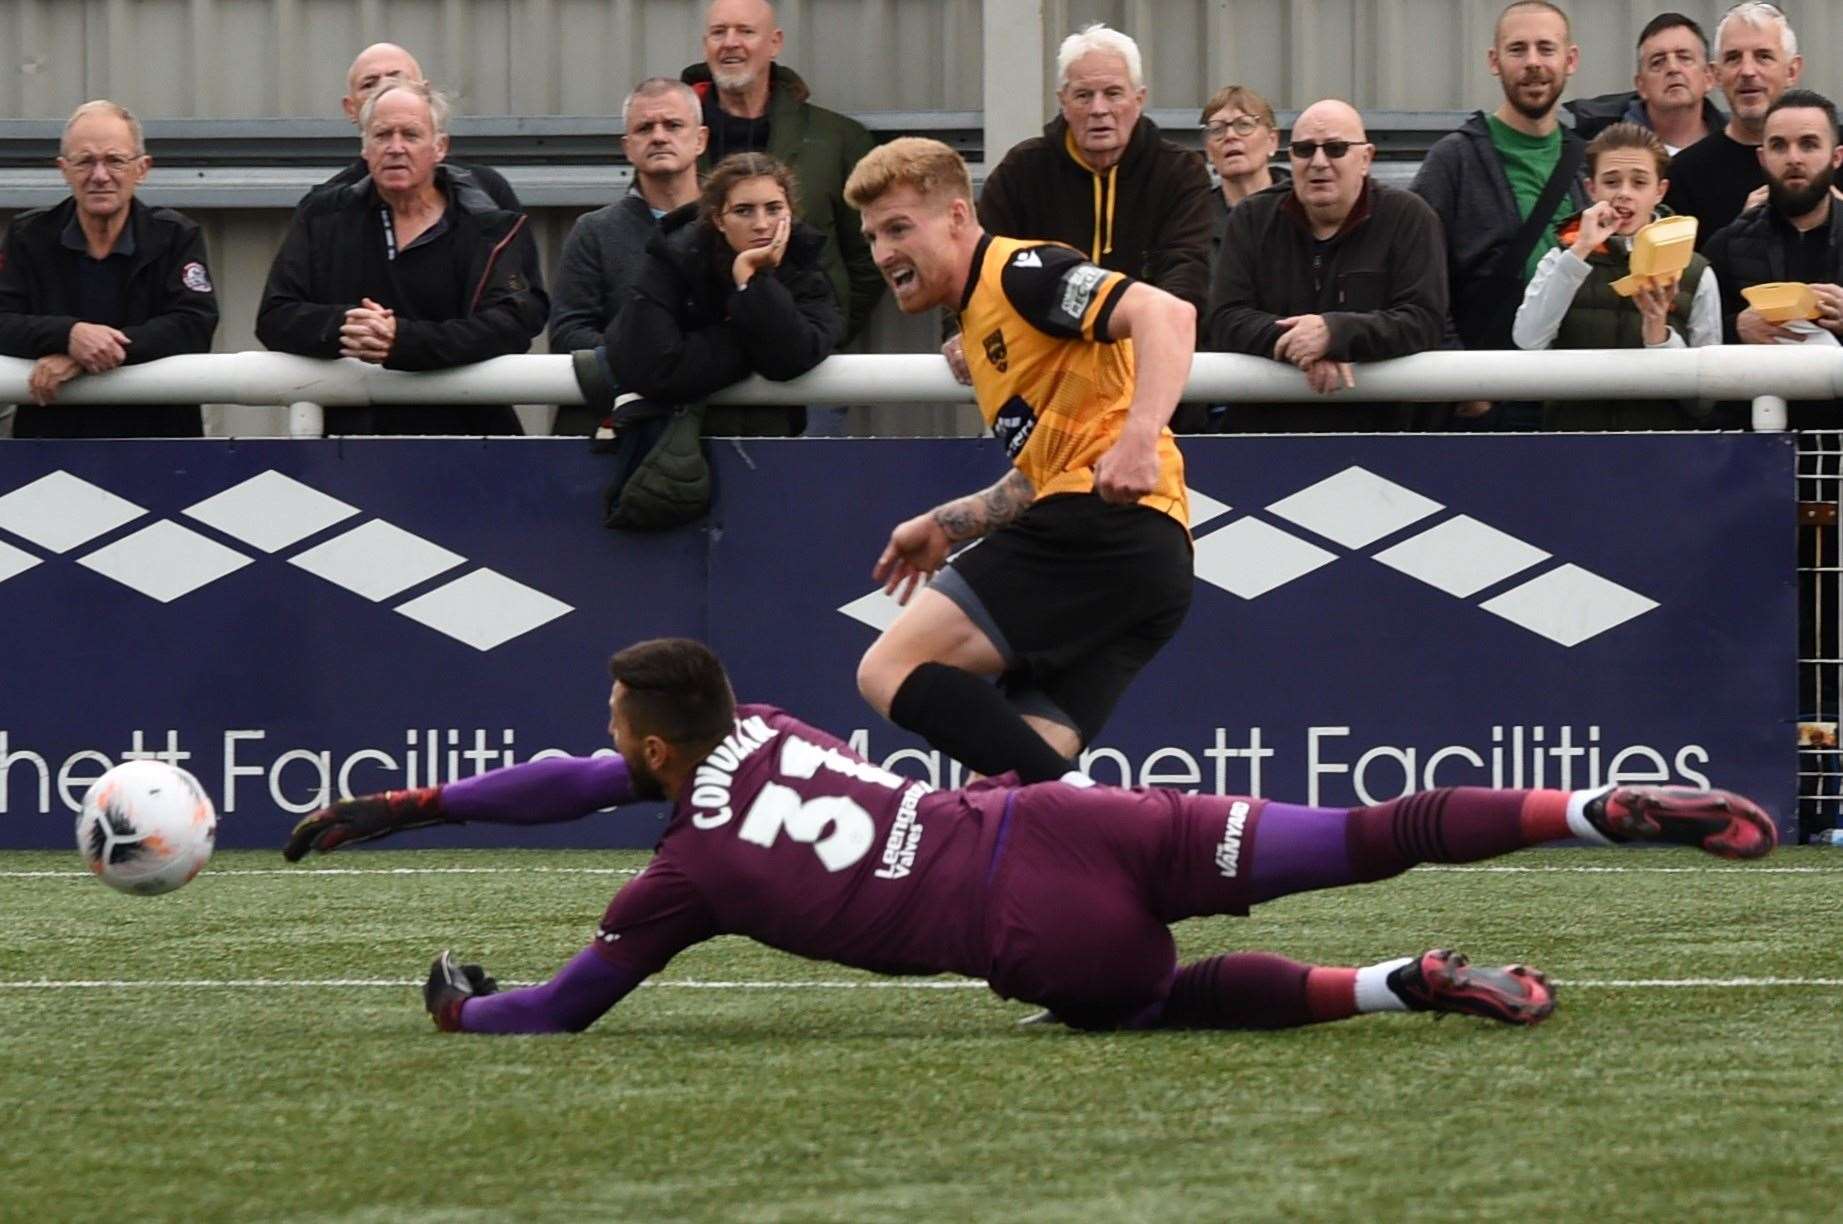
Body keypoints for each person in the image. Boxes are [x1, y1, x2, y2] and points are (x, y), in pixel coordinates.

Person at [279, 637, 1778, 1036]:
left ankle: (1400, 985)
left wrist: (465, 1008)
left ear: (654, 749)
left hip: (1027, 932)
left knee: (1138, 1006)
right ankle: (1591, 806)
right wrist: (412, 806)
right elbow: (583, 773)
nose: (609, 751)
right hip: (1077, 821)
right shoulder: (773, 724)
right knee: (1366, 826)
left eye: (620, 732)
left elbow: (559, 1007)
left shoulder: (683, 877)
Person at [845, 137, 1196, 787]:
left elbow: (1167, 314)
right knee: (1005, 803)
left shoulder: (1021, 273)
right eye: (870, 237)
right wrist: (950, 524)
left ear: (956, 217)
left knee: (887, 670)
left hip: (1103, 531)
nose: (882, 253)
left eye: (898, 228)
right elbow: (1045, 467)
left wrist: (1140, 440)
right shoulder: (979, 321)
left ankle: (1127, 830)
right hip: (1151, 566)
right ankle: (1158, 868)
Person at [254, 80, 548, 436]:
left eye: (410, 135)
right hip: (348, 443)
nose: (395, 148)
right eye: (382, 135)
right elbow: (275, 316)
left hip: (468, 438)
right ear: (364, 148)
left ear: (440, 147)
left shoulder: (489, 223)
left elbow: (515, 323)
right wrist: (344, 326)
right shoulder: (322, 216)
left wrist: (403, 341)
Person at [945, 23, 1212, 386]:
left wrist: (1142, 340)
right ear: (1063, 103)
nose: (1099, 109)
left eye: (1113, 93)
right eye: (1084, 95)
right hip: (1045, 387)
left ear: (1139, 98)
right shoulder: (1021, 172)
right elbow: (973, 266)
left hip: (1149, 377)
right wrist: (964, 330)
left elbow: (1186, 271)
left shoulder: (1179, 172)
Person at [1206, 99, 1447, 431]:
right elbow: (1224, 319)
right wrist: (1301, 345)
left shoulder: (1409, 218)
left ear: (1366, 158)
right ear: (1290, 157)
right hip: (1265, 440)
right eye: (1305, 150)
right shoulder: (1251, 219)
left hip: (1383, 441)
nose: (1318, 162)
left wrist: (1337, 333)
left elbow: (1423, 319)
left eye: (1335, 149)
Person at [1411, 0, 1589, 423]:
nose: (1532, 63)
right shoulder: (1453, 160)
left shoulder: (1592, 162)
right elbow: (1416, 275)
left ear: (1571, 59)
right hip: (1485, 396)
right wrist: (1458, 377)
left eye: (1546, 49)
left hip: (1576, 392)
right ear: (1494, 61)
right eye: (1517, 49)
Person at [0, 99, 218, 438]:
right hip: (51, 450)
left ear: (142, 169)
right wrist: (68, 335)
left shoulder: (175, 235)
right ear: (63, 169)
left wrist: (90, 355)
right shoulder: (28, 237)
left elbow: (194, 325)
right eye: (85, 161)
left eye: (115, 160)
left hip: (160, 445)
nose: (99, 176)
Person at [681, 0, 882, 344]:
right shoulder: (671, 138)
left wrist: (828, 331)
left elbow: (870, 253)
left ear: (775, 43)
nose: (730, 42)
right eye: (719, 32)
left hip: (810, 368)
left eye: (745, 31)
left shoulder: (837, 139)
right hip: (698, 363)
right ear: (706, 45)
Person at [607, 153, 842, 439]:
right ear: (719, 219)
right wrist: (749, 337)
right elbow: (655, 367)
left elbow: (792, 358)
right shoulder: (676, 255)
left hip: (771, 441)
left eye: (774, 209)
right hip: (670, 441)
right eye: (744, 211)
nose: (762, 224)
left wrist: (750, 277)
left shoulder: (803, 261)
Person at [1513, 123, 1720, 431]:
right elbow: (1527, 341)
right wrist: (1580, 251)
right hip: (1572, 445)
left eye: (1639, 182)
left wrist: (1657, 332)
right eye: (1611, 182)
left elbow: (1706, 397)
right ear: (1591, 189)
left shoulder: (1696, 271)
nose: (1624, 194)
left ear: (1659, 191)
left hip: (1663, 451)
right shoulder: (1561, 258)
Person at [549, 78, 708, 437]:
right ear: (627, 147)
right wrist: (654, 358)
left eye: (673, 125)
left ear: (701, 139)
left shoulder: (732, 225)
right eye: (644, 128)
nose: (659, 136)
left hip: (721, 427)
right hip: (620, 431)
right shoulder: (593, 231)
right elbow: (569, 334)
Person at [1704, 91, 1843, 355]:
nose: (1793, 158)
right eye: (1779, 145)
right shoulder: (1724, 247)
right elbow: (1695, 338)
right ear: (1762, 158)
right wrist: (1735, 329)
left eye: (1809, 144)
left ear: (1837, 157)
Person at [308, 42, 522, 212]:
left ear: (425, 94)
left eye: (398, 80)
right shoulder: (324, 211)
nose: (384, 90)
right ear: (350, 108)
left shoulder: (487, 193)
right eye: (369, 84)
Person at [1664, 2, 1803, 247]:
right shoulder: (1684, 174)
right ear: (1716, 75)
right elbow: (1684, 281)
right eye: (1733, 58)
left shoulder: (1833, 159)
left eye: (1763, 56)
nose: (1747, 71)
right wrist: (1739, 233)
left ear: (1792, 71)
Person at [1567, 13, 1723, 155]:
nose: (1673, 68)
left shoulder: (1740, 141)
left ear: (1709, 76)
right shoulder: (1599, 146)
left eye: (1684, 58)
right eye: (1658, 62)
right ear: (1641, 85)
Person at [1200, 84, 1287, 277]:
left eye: (1244, 125)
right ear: (1208, 151)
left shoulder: (1303, 208)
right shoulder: (1195, 223)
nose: (1230, 136)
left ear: (1272, 140)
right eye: (1217, 129)